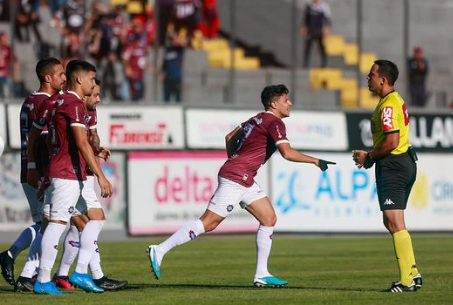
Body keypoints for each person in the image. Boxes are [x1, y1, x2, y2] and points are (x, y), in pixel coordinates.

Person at [147, 84, 336, 287]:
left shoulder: (255, 119)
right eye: (285, 99)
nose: (289, 103)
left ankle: (262, 274)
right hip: (237, 177)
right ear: (274, 104)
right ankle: (159, 250)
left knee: (269, 218)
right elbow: (287, 153)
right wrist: (315, 161)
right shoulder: (275, 122)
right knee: (208, 223)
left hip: (243, 177)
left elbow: (229, 137)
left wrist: (235, 160)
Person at [33, 60, 112, 295]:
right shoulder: (74, 104)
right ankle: (43, 279)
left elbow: (48, 139)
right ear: (79, 79)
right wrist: (100, 175)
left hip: (69, 172)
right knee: (56, 226)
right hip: (66, 174)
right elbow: (80, 142)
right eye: (91, 78)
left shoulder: (60, 101)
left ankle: (78, 272)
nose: (94, 83)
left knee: (96, 218)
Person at [352, 60, 422, 293]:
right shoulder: (391, 101)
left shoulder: (389, 105)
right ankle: (412, 273)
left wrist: (369, 157)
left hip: (394, 164)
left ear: (383, 79)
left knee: (394, 222)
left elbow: (391, 142)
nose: (367, 77)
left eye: (371, 74)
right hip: (401, 162)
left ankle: (406, 281)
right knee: (392, 222)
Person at [0, 58, 66, 287]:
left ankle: (20, 266)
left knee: (44, 223)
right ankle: (25, 272)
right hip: (38, 171)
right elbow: (43, 140)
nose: (64, 78)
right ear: (47, 78)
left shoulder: (30, 100)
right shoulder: (46, 103)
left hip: (29, 168)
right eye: (60, 74)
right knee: (49, 224)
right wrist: (41, 169)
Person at [300, 0, 331, 68]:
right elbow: (306, 19)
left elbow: (327, 20)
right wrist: (304, 27)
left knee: (321, 47)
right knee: (308, 47)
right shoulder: (309, 6)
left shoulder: (324, 7)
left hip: (319, 31)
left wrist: (327, 30)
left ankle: (324, 63)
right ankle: (305, 64)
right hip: (310, 30)